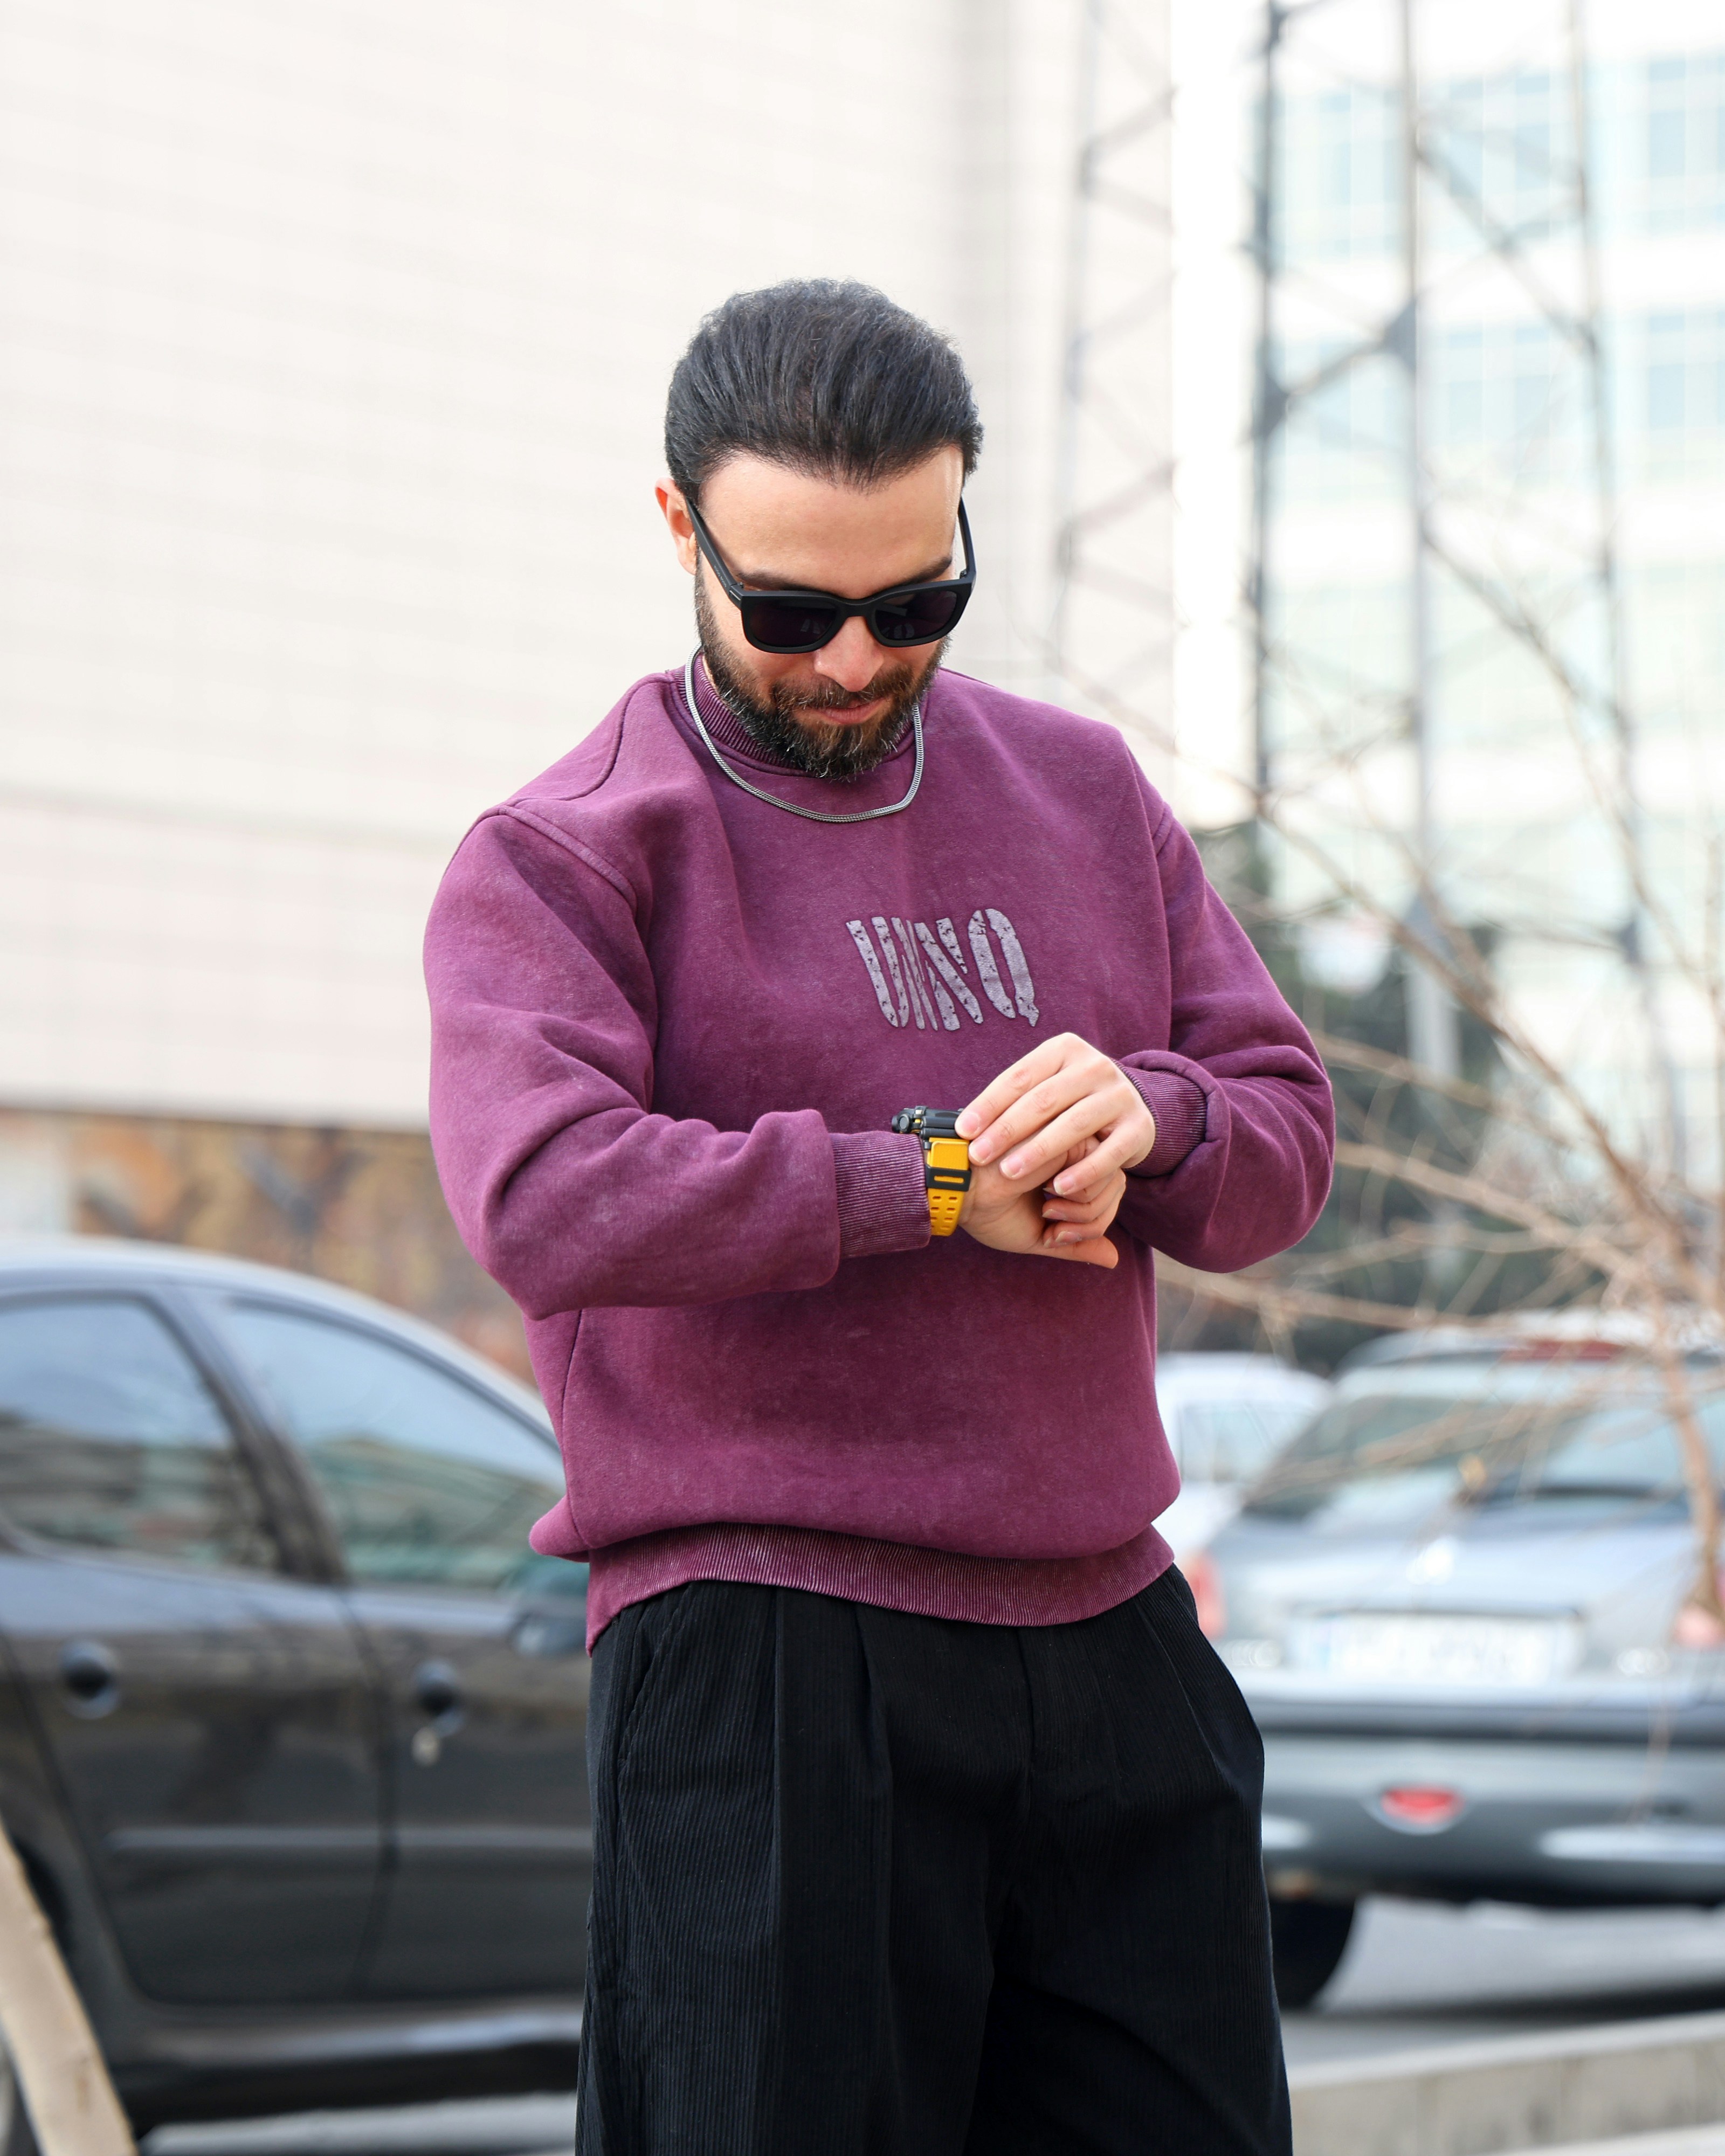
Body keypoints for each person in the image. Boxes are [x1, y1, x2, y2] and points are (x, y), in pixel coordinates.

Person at [424, 279, 1333, 2156]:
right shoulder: (572, 850)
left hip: (1116, 1648)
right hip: (767, 1663)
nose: (853, 660)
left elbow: (1283, 1139)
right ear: (679, 529)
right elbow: (542, 1191)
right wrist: (928, 1177)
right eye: (791, 612)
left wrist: (1147, 1116)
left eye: (917, 603)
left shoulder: (1086, 793)